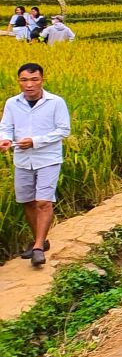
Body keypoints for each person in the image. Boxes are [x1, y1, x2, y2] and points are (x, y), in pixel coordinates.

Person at [0, 63, 70, 268]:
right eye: (24, 80)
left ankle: (38, 247)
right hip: (22, 160)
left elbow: (63, 130)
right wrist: (5, 140)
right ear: (19, 81)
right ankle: (42, 239)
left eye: (34, 80)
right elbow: (5, 127)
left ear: (42, 80)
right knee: (27, 201)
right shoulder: (13, 103)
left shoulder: (56, 102)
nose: (29, 85)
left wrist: (36, 141)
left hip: (48, 158)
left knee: (43, 202)